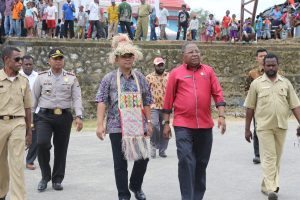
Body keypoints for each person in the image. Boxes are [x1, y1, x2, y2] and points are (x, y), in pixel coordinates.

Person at [162, 42, 226, 200]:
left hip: (205, 125)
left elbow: (218, 93)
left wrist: (222, 116)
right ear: (183, 56)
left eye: (197, 51)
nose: (195, 54)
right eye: (191, 52)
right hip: (183, 125)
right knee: (185, 160)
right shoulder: (176, 73)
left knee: (201, 163)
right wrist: (166, 124)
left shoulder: (208, 71)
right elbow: (168, 100)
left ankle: (197, 196)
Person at [96, 34, 152, 200]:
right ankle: (123, 195)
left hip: (138, 125)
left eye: (130, 56)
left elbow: (147, 100)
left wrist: (149, 122)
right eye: (124, 56)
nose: (127, 59)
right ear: (117, 58)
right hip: (116, 126)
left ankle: (135, 185)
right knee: (120, 164)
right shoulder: (109, 79)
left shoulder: (140, 77)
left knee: (144, 157)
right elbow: (101, 101)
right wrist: (100, 124)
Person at [244, 53, 300, 200]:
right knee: (269, 157)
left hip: (281, 126)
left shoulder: (285, 83)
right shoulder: (256, 84)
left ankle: (265, 185)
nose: (270, 67)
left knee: (276, 158)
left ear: (277, 66)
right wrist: (247, 129)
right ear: (263, 66)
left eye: (273, 65)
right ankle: (271, 189)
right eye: (267, 65)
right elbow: (250, 107)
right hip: (263, 126)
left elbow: (295, 105)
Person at [32, 48, 84, 192]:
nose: (58, 61)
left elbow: (77, 98)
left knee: (61, 149)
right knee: (42, 144)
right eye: (55, 58)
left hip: (64, 116)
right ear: (49, 60)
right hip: (44, 116)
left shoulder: (71, 77)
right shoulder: (41, 77)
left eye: (60, 58)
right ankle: (45, 176)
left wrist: (78, 116)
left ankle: (57, 179)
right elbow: (34, 99)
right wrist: (29, 120)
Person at [0, 47, 32, 200]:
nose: (21, 62)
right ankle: (1, 192)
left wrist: (29, 130)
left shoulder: (24, 81)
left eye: (22, 59)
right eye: (17, 59)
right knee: (1, 164)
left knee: (17, 163)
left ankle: (18, 197)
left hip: (18, 123)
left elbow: (28, 108)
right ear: (6, 60)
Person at [245, 48, 268, 164]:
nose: (263, 58)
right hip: (258, 107)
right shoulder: (252, 74)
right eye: (261, 56)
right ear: (256, 58)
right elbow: (247, 90)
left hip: (272, 107)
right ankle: (258, 154)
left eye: (265, 56)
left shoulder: (277, 72)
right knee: (258, 129)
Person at [146, 57, 169, 158]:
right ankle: (153, 144)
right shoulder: (148, 77)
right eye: (158, 65)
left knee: (165, 128)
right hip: (153, 106)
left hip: (166, 107)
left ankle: (162, 150)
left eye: (162, 65)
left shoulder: (169, 76)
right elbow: (145, 93)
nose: (160, 67)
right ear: (154, 66)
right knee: (155, 125)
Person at [20, 55, 39, 170]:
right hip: (19, 112)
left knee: (35, 137)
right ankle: (15, 161)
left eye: (30, 64)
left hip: (35, 112)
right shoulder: (17, 76)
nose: (28, 66)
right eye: (26, 64)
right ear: (22, 65)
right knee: (18, 137)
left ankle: (30, 161)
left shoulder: (38, 77)